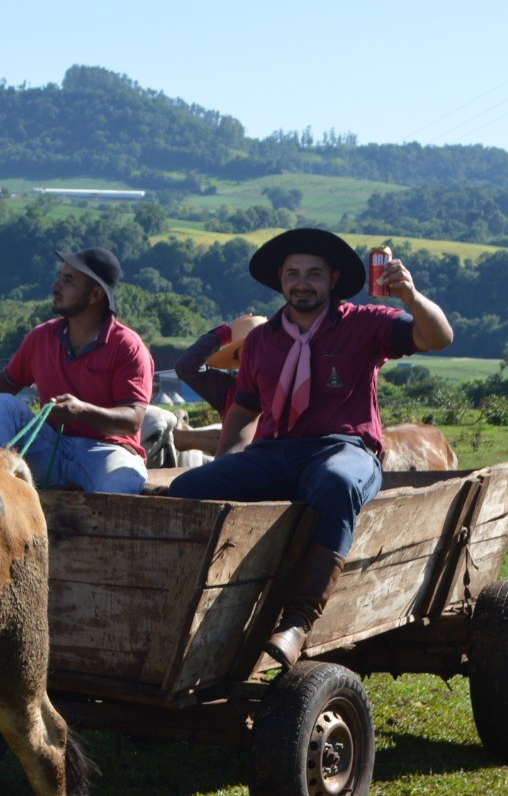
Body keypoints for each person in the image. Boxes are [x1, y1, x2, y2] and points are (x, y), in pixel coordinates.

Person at [169, 229, 454, 667]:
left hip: (344, 448)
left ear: (333, 279)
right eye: (293, 274)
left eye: (314, 274)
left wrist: (412, 298)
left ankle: (298, 620)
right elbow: (244, 410)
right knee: (188, 488)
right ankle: (188, 607)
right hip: (274, 454)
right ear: (280, 280)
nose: (302, 283)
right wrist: (227, 461)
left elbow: (438, 338)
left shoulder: (364, 322)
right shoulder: (262, 340)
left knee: (337, 483)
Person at [0, 248, 153, 493]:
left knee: (121, 481)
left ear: (96, 294)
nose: (56, 285)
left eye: (69, 280)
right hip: (50, 447)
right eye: (60, 276)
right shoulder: (42, 336)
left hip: (106, 451)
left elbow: (132, 420)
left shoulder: (127, 346)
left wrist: (83, 411)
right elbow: (10, 380)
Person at [173, 312, 266, 455]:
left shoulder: (289, 384)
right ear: (238, 362)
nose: (250, 362)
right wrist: (224, 333)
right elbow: (186, 367)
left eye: (255, 353)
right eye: (244, 357)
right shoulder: (228, 390)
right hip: (236, 469)